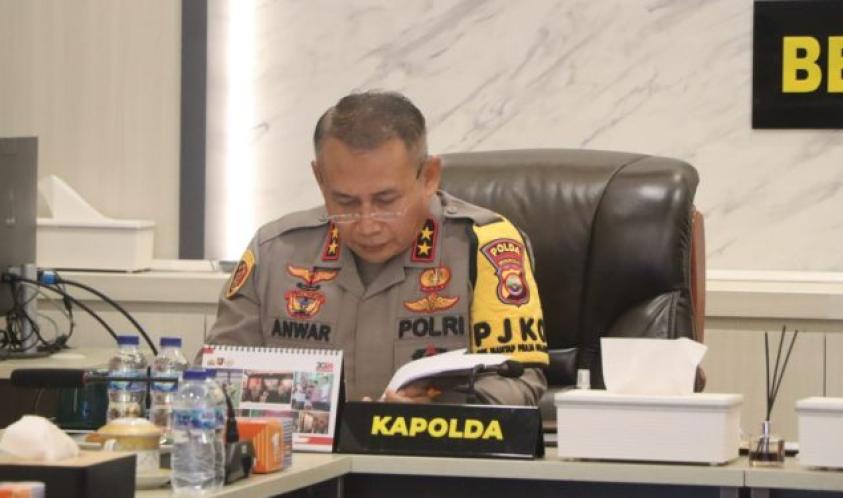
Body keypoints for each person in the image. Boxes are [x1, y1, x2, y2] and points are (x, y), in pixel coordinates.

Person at [205, 90, 548, 405]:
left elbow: (520, 382)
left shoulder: (483, 247)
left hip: (435, 450)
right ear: (320, 179)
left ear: (429, 176)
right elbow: (215, 383)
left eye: (386, 201)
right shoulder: (275, 253)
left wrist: (441, 412)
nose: (366, 224)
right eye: (345, 202)